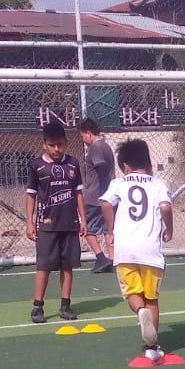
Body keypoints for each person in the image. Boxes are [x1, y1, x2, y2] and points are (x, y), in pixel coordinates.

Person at [99, 138, 173, 363]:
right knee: (152, 299)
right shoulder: (158, 184)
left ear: (125, 166)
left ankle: (140, 312)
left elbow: (105, 204)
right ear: (148, 163)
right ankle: (152, 347)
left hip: (125, 250)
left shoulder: (118, 183)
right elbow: (165, 206)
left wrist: (110, 229)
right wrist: (169, 228)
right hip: (150, 250)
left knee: (133, 294)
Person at [25, 120, 85, 324]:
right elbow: (31, 195)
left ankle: (65, 305)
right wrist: (29, 222)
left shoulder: (73, 163)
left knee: (67, 266)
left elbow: (78, 193)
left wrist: (83, 219)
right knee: (44, 266)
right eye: (52, 145)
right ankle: (38, 306)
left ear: (66, 142)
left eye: (60, 144)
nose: (56, 149)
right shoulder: (37, 166)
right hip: (47, 225)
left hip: (69, 223)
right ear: (44, 144)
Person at [78, 117, 116, 273]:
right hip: (109, 196)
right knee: (108, 228)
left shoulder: (95, 148)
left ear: (88, 133)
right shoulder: (106, 146)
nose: (83, 140)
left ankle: (100, 258)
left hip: (95, 196)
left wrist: (101, 188)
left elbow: (100, 165)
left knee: (87, 228)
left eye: (82, 136)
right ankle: (113, 260)